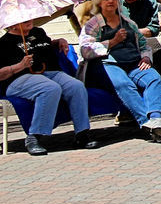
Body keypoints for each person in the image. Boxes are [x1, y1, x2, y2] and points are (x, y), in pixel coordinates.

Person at [78, 0, 161, 140]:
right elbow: (85, 50)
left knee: (153, 77)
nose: (110, 1)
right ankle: (147, 123)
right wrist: (112, 42)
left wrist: (146, 58)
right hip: (108, 64)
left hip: (133, 63)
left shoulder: (128, 22)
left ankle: (156, 118)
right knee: (124, 84)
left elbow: (143, 46)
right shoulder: (93, 24)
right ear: (99, 3)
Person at [0, 19, 97, 154]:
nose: (29, 21)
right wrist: (19, 66)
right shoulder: (4, 44)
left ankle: (82, 134)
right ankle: (34, 137)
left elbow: (43, 45)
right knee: (50, 88)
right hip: (18, 80)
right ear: (13, 24)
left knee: (76, 86)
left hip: (49, 73)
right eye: (24, 20)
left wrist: (58, 41)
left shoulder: (38, 32)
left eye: (29, 18)